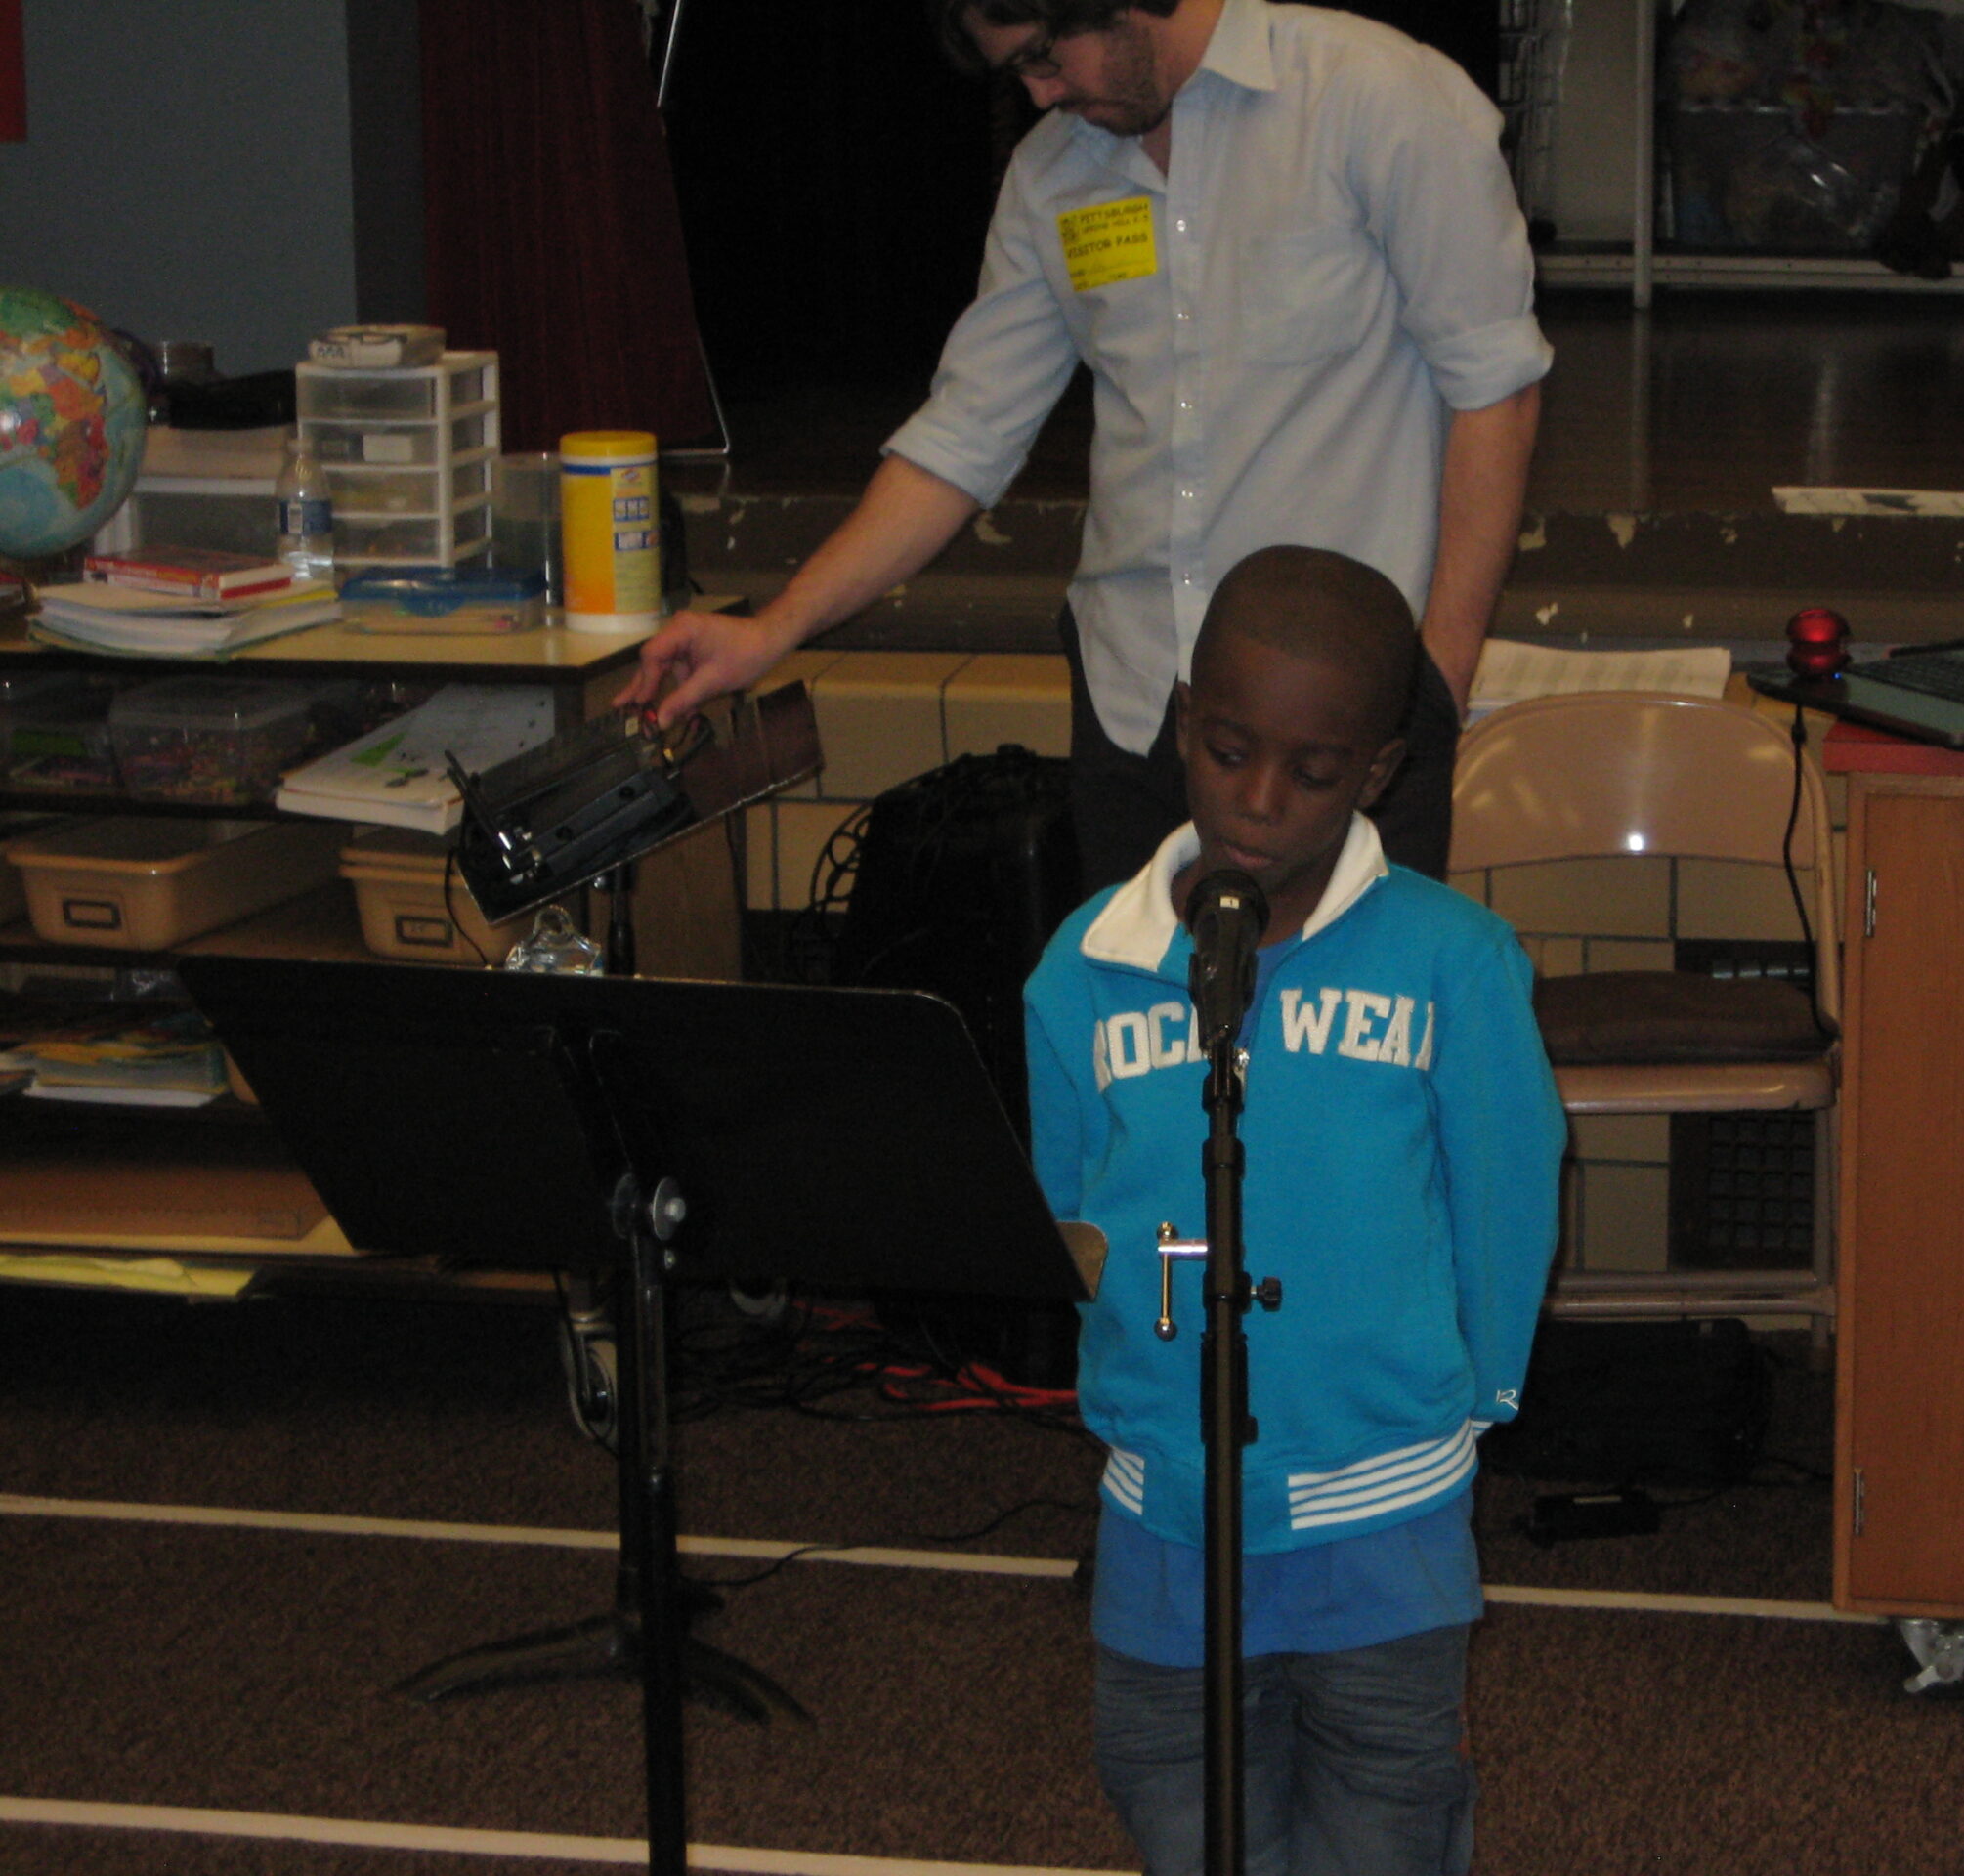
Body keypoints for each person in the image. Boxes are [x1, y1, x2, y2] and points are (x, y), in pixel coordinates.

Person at [620, 0, 1549, 891]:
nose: (1037, 94)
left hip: (1340, 711)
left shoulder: (1375, 97)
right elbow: (965, 436)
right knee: (1138, 1043)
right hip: (1137, 701)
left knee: (1344, 1047)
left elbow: (1496, 392)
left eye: (1041, 57)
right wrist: (769, 631)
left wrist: (1435, 684)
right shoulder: (1053, 174)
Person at [1023, 545, 1566, 1873]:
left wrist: (1469, 1399)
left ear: (1376, 773)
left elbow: (1508, 1197)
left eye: (1313, 774)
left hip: (1384, 1516)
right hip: (1165, 1514)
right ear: (1183, 726)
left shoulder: (1451, 961)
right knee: (1180, 1810)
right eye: (1224, 750)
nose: (1258, 802)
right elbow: (1069, 1217)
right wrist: (1134, 1392)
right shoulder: (1088, 969)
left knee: (1381, 1819)